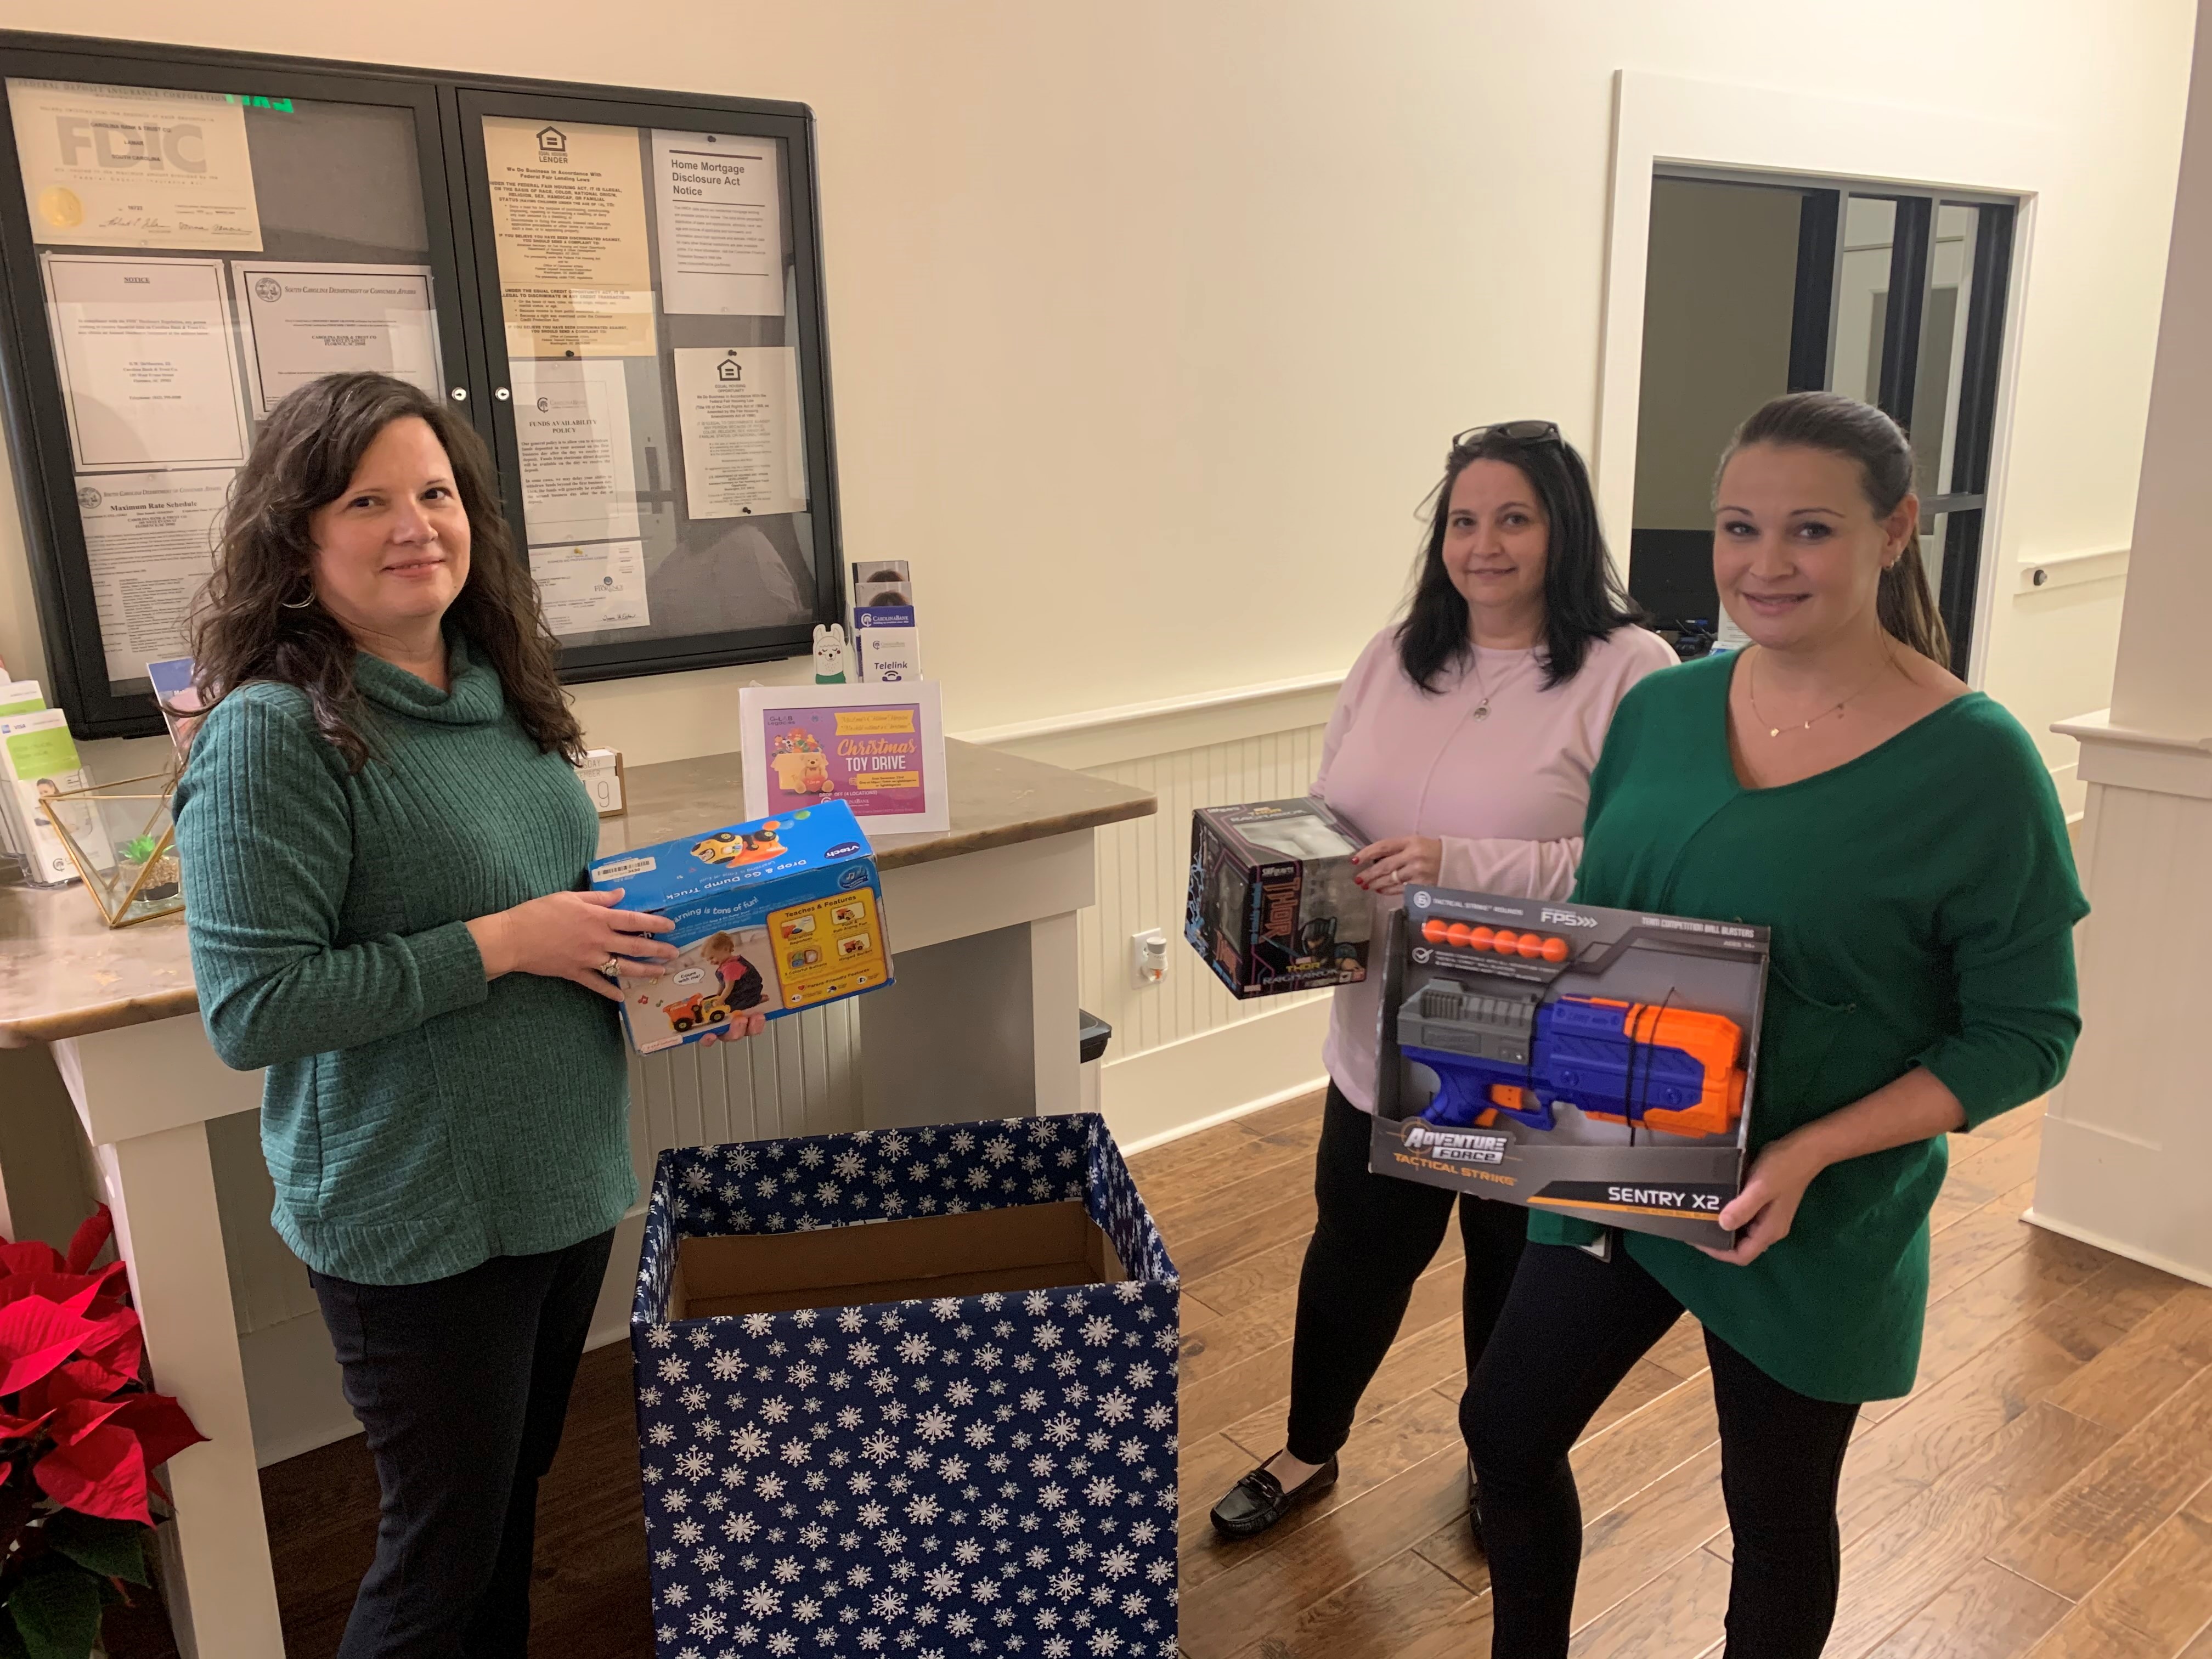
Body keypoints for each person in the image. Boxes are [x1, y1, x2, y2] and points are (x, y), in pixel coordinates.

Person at [1462, 392, 2087, 1658]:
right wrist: (1484, 1039)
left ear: (1895, 531)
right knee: (1504, 1434)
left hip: (1810, 1212)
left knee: (1778, 1514)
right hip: (1613, 1164)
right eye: (1740, 528)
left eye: (1810, 530)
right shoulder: (1666, 708)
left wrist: (1805, 1156)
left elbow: (2026, 1031)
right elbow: (1603, 924)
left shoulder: (1974, 765)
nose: (1764, 563)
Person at [173, 371, 766, 1659]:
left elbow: (549, 905)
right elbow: (253, 1007)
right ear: (298, 536)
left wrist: (687, 966)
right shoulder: (274, 735)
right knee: (439, 1562)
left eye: (435, 493)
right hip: (417, 1213)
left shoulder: (502, 689)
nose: (414, 525)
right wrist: (501, 945)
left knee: (503, 1518)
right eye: (367, 499)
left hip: (559, 1178)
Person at [1209, 421, 1676, 1538]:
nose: (1486, 544)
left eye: (1515, 518)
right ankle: (1308, 1448)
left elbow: (1629, 865)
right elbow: (1335, 809)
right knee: (1351, 1264)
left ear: (1562, 530)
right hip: (1382, 1034)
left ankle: (1495, 1462)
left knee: (1509, 1273)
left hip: (1529, 1044)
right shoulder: (1394, 653)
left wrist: (1459, 868)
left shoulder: (1631, 670)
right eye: (1464, 520)